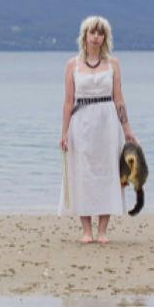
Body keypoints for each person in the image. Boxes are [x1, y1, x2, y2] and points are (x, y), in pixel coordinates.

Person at [58, 15, 137, 243]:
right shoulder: (72, 64)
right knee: (81, 172)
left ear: (105, 37)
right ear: (84, 35)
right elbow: (67, 101)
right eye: (92, 32)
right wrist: (63, 133)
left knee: (108, 172)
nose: (96, 37)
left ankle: (102, 229)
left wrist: (127, 129)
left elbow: (119, 98)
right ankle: (86, 230)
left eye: (100, 33)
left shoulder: (113, 64)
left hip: (108, 122)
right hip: (80, 122)